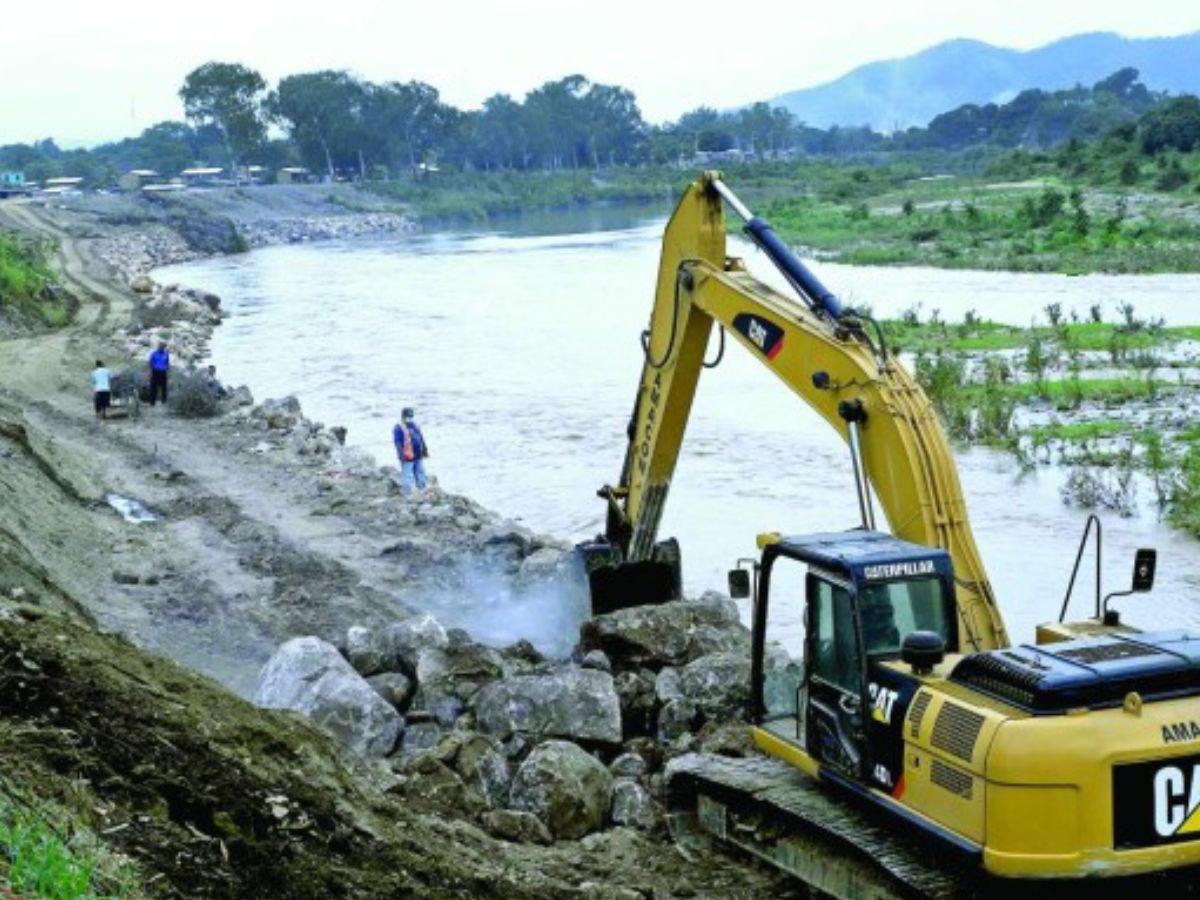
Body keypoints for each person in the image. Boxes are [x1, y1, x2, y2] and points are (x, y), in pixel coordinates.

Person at [392, 407, 430, 496]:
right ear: (403, 417)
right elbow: (397, 443)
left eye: (411, 416)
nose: (410, 418)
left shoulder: (415, 425)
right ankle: (407, 494)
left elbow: (421, 438)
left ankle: (422, 490)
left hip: (418, 455)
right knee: (407, 475)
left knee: (420, 472)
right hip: (407, 456)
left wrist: (425, 450)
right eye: (408, 416)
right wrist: (401, 456)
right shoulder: (398, 428)